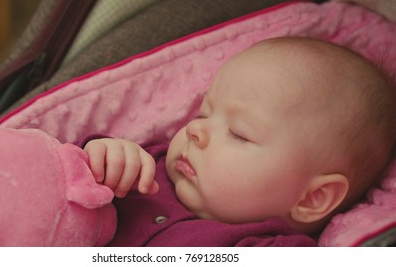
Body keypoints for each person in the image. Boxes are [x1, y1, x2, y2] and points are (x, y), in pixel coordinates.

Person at [81, 37, 396, 246]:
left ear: (311, 198)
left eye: (239, 134)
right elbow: (63, 183)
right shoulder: (149, 167)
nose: (195, 130)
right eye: (204, 114)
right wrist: (106, 157)